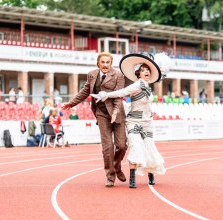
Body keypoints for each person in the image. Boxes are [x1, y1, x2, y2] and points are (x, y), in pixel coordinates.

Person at [92, 53, 166, 188]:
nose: (146, 72)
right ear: (138, 73)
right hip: (134, 122)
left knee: (149, 147)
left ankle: (150, 173)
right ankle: (132, 178)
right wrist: (106, 95)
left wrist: (150, 113)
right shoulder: (137, 85)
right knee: (135, 146)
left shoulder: (148, 87)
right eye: (143, 70)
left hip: (147, 123)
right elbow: (122, 92)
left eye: (148, 70)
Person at [62, 52, 127, 187]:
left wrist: (115, 111)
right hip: (101, 113)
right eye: (102, 62)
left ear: (111, 63)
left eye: (107, 62)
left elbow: (119, 96)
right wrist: (71, 103)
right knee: (107, 147)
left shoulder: (119, 75)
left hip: (117, 113)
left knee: (121, 146)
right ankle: (110, 176)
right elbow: (85, 91)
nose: (105, 65)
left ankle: (116, 166)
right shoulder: (92, 74)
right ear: (98, 63)